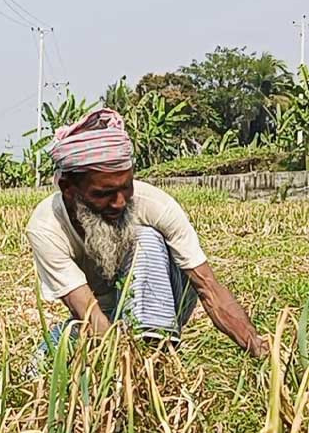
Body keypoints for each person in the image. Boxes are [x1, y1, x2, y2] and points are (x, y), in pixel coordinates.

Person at [25, 107, 268, 373]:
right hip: (101, 317)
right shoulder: (47, 227)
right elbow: (87, 313)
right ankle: (138, 369)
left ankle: (155, 350)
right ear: (69, 190)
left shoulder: (155, 205)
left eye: (126, 187)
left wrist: (255, 345)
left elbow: (208, 287)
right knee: (40, 368)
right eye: (104, 193)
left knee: (146, 237)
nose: (119, 202)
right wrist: (123, 373)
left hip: (168, 301)